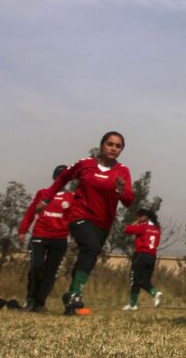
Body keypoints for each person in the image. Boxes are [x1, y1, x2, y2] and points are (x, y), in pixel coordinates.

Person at [39, 131, 134, 315]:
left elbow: (129, 201)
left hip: (103, 222)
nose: (113, 148)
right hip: (80, 215)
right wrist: (47, 197)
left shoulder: (123, 171)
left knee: (89, 253)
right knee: (90, 247)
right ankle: (76, 293)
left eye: (118, 146)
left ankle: (71, 297)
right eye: (110, 144)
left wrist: (122, 190)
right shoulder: (85, 164)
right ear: (101, 145)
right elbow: (63, 178)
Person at [18, 164, 74, 312]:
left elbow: (74, 218)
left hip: (60, 238)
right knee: (36, 267)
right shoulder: (43, 193)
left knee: (51, 271)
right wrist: (23, 230)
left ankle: (40, 303)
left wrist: (75, 237)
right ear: (55, 177)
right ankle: (30, 299)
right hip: (40, 236)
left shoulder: (70, 197)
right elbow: (31, 211)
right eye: (59, 177)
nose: (62, 180)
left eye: (65, 177)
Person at [122, 208, 162, 311]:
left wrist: (136, 222)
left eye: (140, 216)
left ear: (145, 217)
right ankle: (154, 293)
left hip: (141, 254)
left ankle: (133, 304)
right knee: (144, 280)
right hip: (152, 256)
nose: (138, 218)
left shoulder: (143, 226)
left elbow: (127, 230)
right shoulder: (157, 228)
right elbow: (156, 243)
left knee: (135, 279)